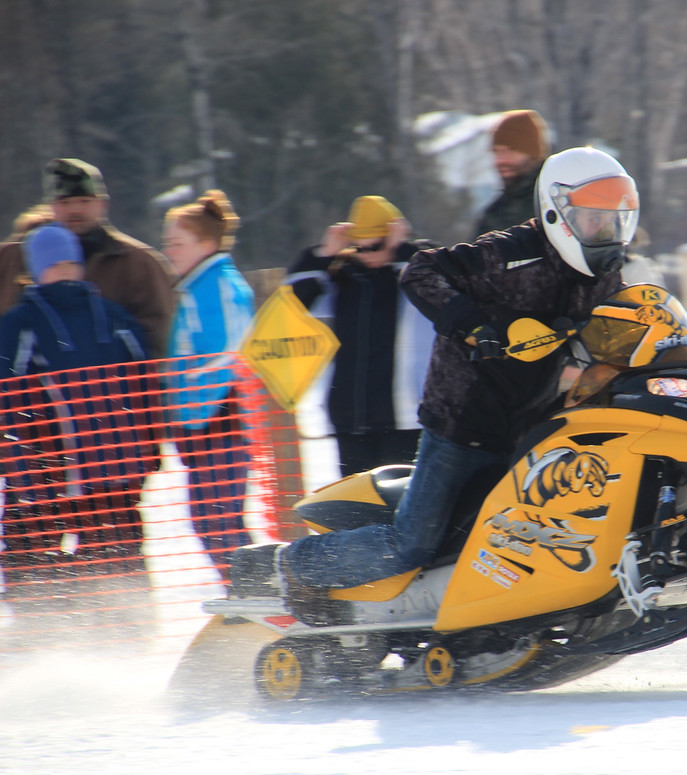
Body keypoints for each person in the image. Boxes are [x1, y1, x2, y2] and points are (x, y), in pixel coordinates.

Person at [230, 147, 636, 599]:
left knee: (532, 534)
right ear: (560, 214)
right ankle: (277, 567)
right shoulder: (509, 253)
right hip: (461, 427)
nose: (606, 230)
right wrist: (473, 326)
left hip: (531, 429)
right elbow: (422, 271)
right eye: (594, 218)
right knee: (411, 544)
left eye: (613, 219)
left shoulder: (604, 272)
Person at [0, 224, 155, 576]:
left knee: (32, 571)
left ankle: (48, 627)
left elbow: (7, 399)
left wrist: (19, 471)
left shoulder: (20, 322)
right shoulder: (116, 317)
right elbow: (145, 385)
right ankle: (132, 623)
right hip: (116, 475)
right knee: (121, 564)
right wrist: (148, 452)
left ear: (38, 268)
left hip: (47, 474)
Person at [287, 195, 438, 477]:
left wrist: (401, 249)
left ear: (393, 237)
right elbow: (291, 303)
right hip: (350, 418)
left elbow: (442, 280)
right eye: (358, 245)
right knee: (356, 506)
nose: (366, 253)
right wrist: (322, 254)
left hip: (404, 419)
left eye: (376, 244)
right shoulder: (340, 278)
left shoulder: (415, 269)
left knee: (404, 508)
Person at [162, 191, 258, 575]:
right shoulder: (196, 287)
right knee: (210, 521)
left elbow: (228, 358)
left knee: (219, 522)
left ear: (205, 243)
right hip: (205, 427)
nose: (169, 251)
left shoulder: (220, 286)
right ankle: (249, 595)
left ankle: (263, 596)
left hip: (223, 423)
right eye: (168, 242)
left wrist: (196, 420)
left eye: (177, 243)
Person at [0, 159, 173, 357]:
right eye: (65, 202)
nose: (75, 210)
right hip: (24, 384)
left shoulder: (138, 263)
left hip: (109, 383)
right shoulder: (13, 258)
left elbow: (159, 336)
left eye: (85, 201)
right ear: (52, 206)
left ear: (102, 204)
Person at [474, 109, 551, 238]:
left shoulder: (553, 200)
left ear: (532, 153)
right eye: (496, 151)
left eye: (511, 150)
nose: (501, 160)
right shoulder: (496, 212)